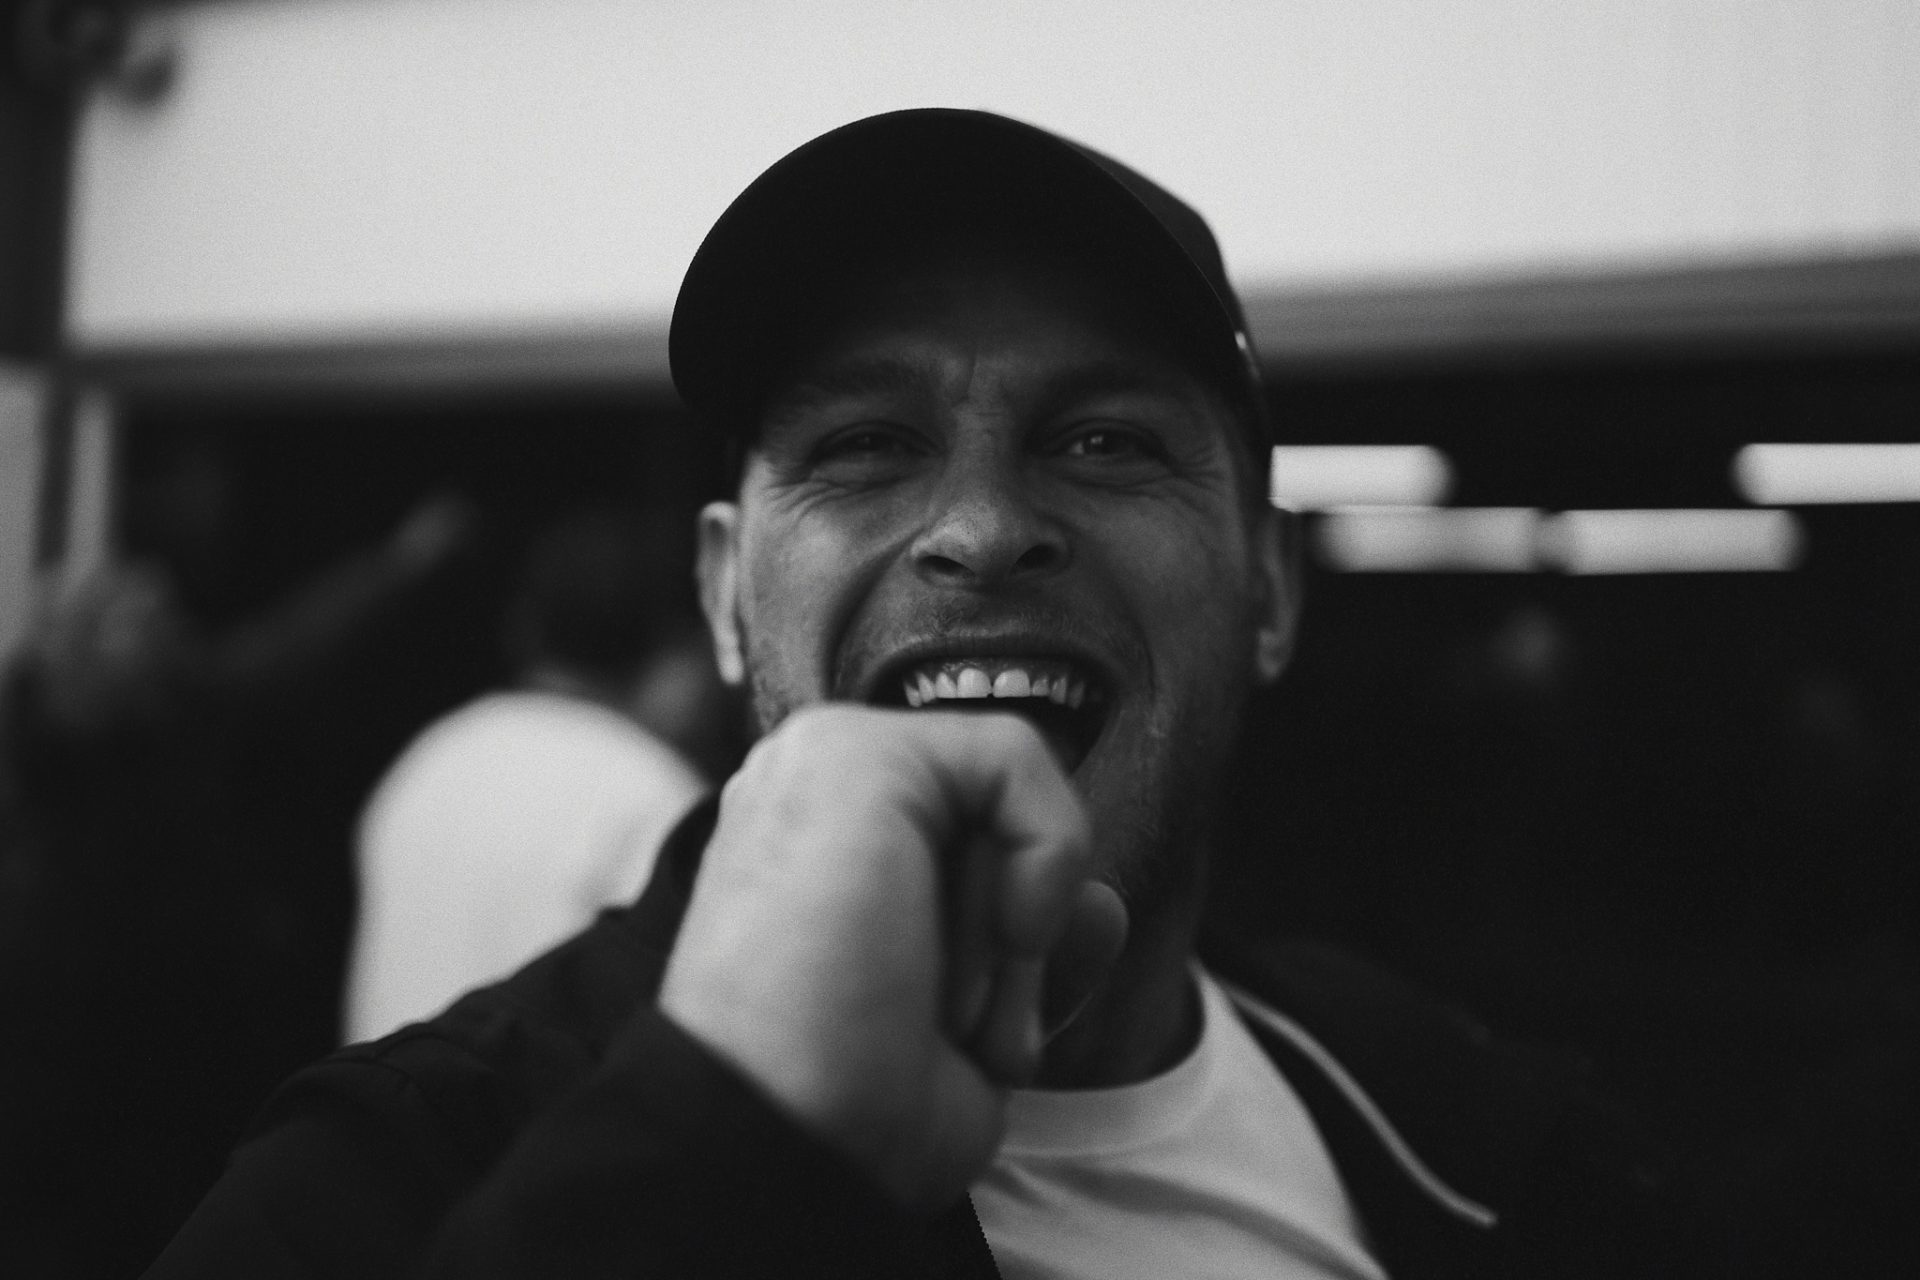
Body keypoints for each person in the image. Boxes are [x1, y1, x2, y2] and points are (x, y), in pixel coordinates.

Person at [144, 109, 1704, 1278]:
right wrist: (715, 1152)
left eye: (1104, 441)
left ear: (1271, 588)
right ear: (726, 598)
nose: (979, 528)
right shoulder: (376, 1190)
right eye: (865, 447)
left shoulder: (1491, 1150)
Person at [341, 508, 715, 1043]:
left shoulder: (430, 759)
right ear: (677, 657)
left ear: (525, 629)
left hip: (382, 1093)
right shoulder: (654, 794)